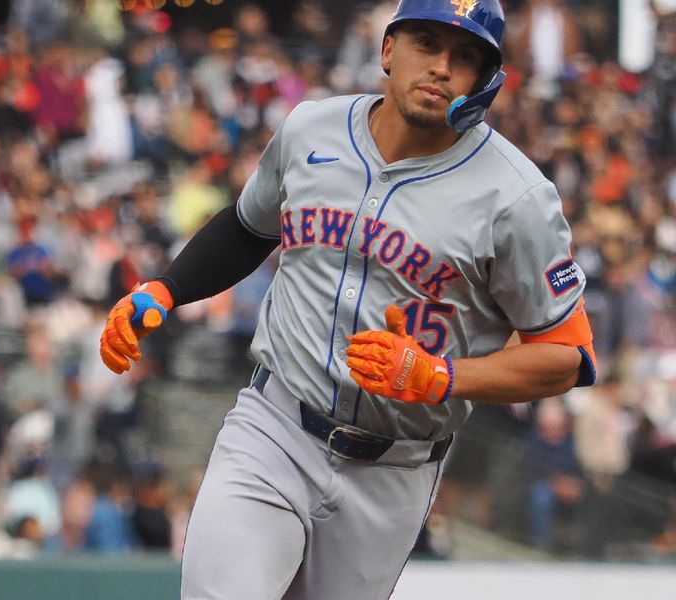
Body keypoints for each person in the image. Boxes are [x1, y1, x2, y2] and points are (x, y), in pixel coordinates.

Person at [100, 1, 598, 598]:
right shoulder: (312, 129)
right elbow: (248, 226)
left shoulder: (517, 197)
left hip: (396, 467)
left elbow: (566, 357)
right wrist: (165, 288)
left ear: (485, 81)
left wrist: (439, 376)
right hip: (275, 428)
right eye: (425, 43)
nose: (441, 67)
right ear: (388, 50)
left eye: (464, 56)